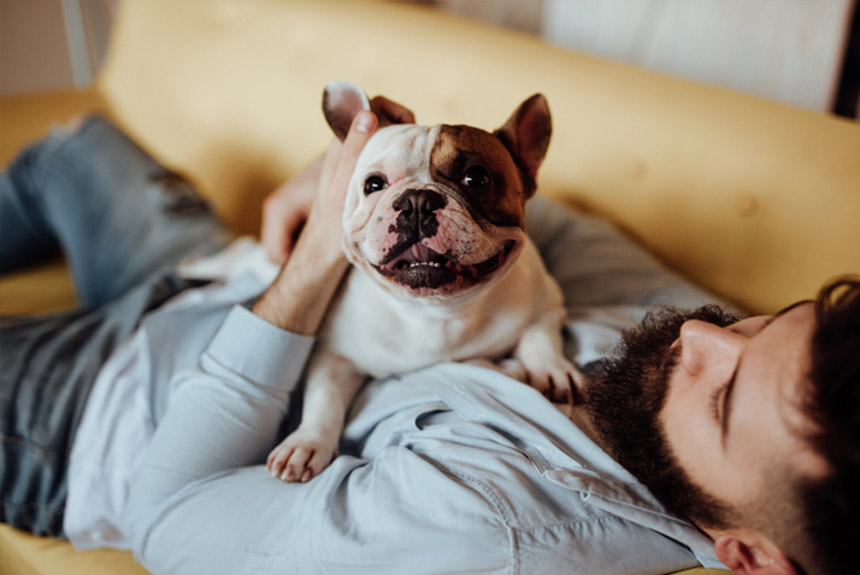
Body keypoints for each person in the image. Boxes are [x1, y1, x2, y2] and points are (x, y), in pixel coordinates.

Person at [0, 108, 856, 575]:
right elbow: (526, 203)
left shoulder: (493, 523)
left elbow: (165, 515)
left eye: (723, 398)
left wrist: (315, 258)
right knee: (73, 145)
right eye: (756, 322)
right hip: (212, 271)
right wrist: (343, 180)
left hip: (97, 413)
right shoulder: (702, 340)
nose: (700, 336)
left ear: (747, 556)